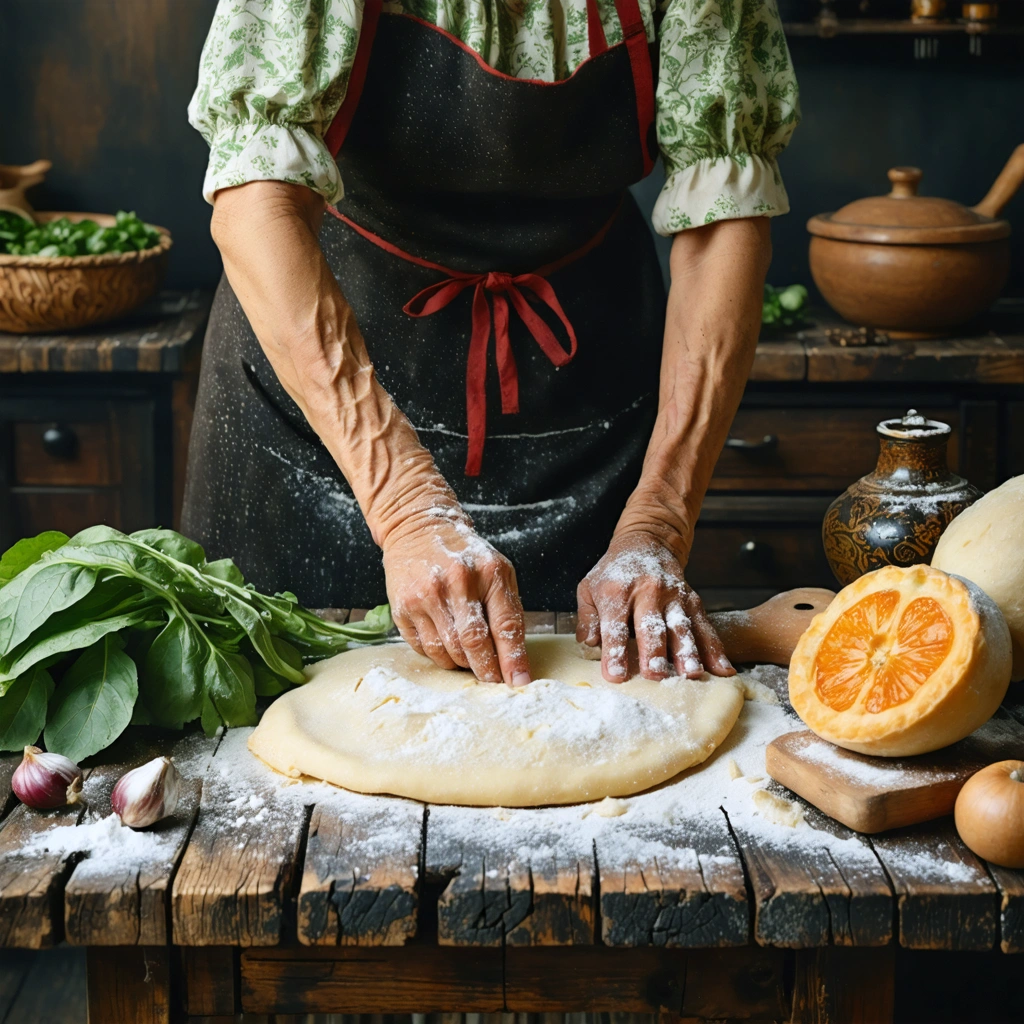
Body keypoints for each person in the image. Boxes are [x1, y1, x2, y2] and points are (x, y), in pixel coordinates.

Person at [184, 0, 799, 689]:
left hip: (580, 398)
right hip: (322, 396)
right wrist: (405, 504)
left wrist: (656, 525)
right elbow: (254, 199)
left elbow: (724, 214)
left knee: (592, 711)